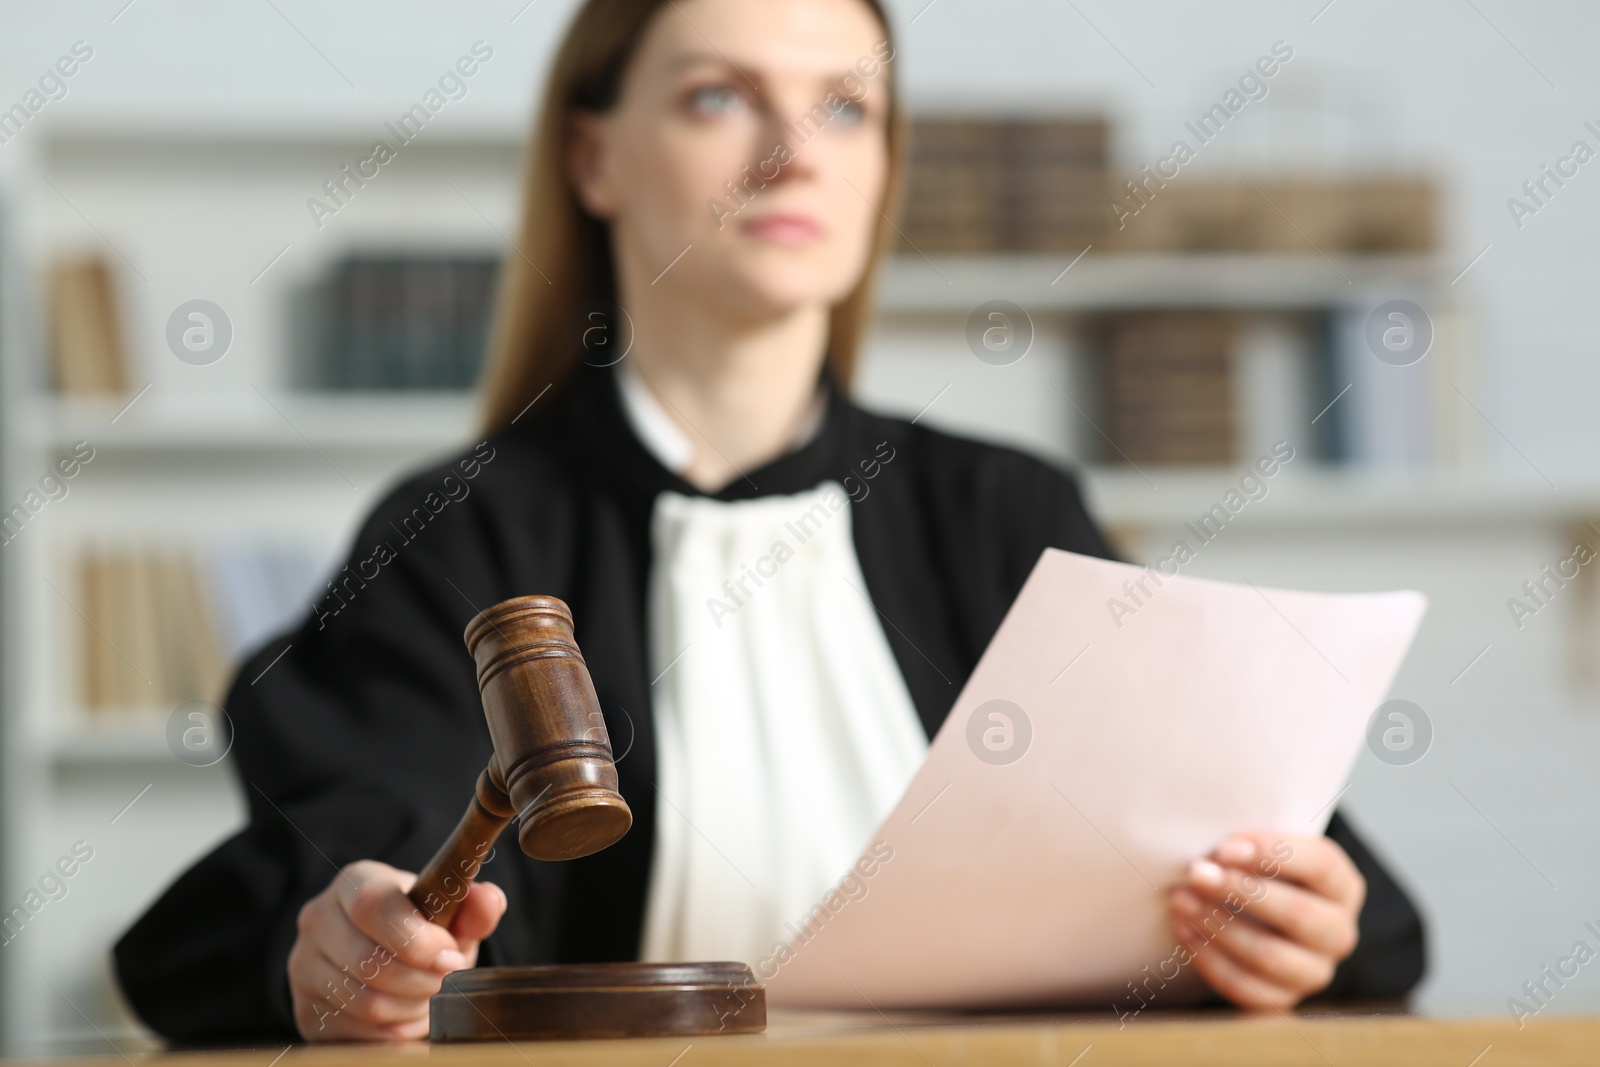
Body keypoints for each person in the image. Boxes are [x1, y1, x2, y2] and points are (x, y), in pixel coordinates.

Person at [114, 0, 1425, 1043]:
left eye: (848, 108)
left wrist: (1293, 929)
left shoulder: (1007, 513)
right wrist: (350, 944)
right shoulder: (458, 535)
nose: (795, 155)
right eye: (717, 95)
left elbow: (1297, 875)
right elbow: (353, 865)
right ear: (593, 156)